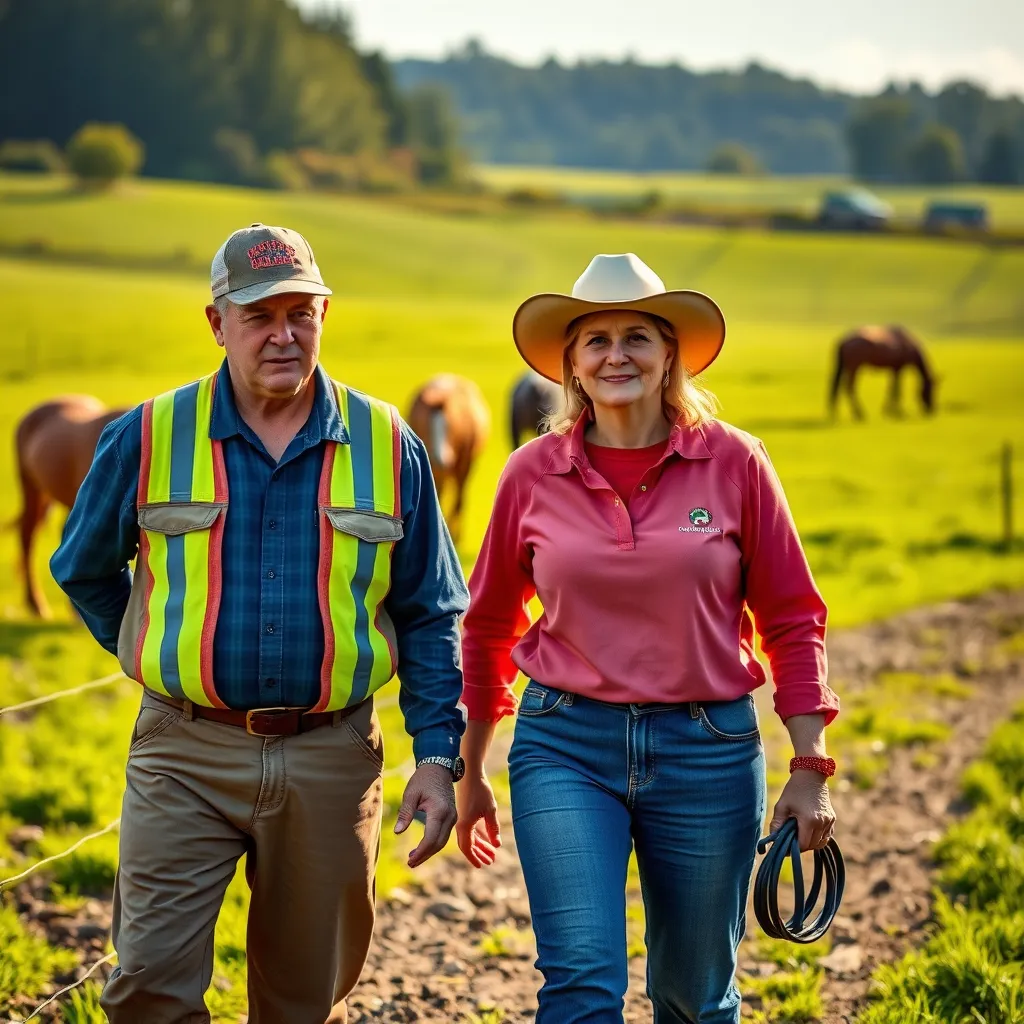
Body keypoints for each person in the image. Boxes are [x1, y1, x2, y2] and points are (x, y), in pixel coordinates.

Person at [51, 223, 468, 1024]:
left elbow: (431, 609)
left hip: (333, 756)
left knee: (302, 999)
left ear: (324, 314)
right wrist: (159, 647)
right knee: (147, 988)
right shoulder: (145, 435)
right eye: (258, 315)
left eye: (300, 313)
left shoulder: (391, 444)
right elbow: (81, 567)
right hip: (183, 752)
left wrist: (438, 755)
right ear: (217, 322)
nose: (283, 334)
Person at [456, 253, 840, 1023]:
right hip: (565, 744)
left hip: (709, 749)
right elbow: (489, 622)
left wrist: (810, 765)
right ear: (570, 363)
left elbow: (793, 618)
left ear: (671, 355)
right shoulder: (530, 473)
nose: (616, 355)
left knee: (695, 999)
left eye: (637, 336)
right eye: (595, 339)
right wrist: (470, 769)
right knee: (580, 988)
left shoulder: (736, 462)